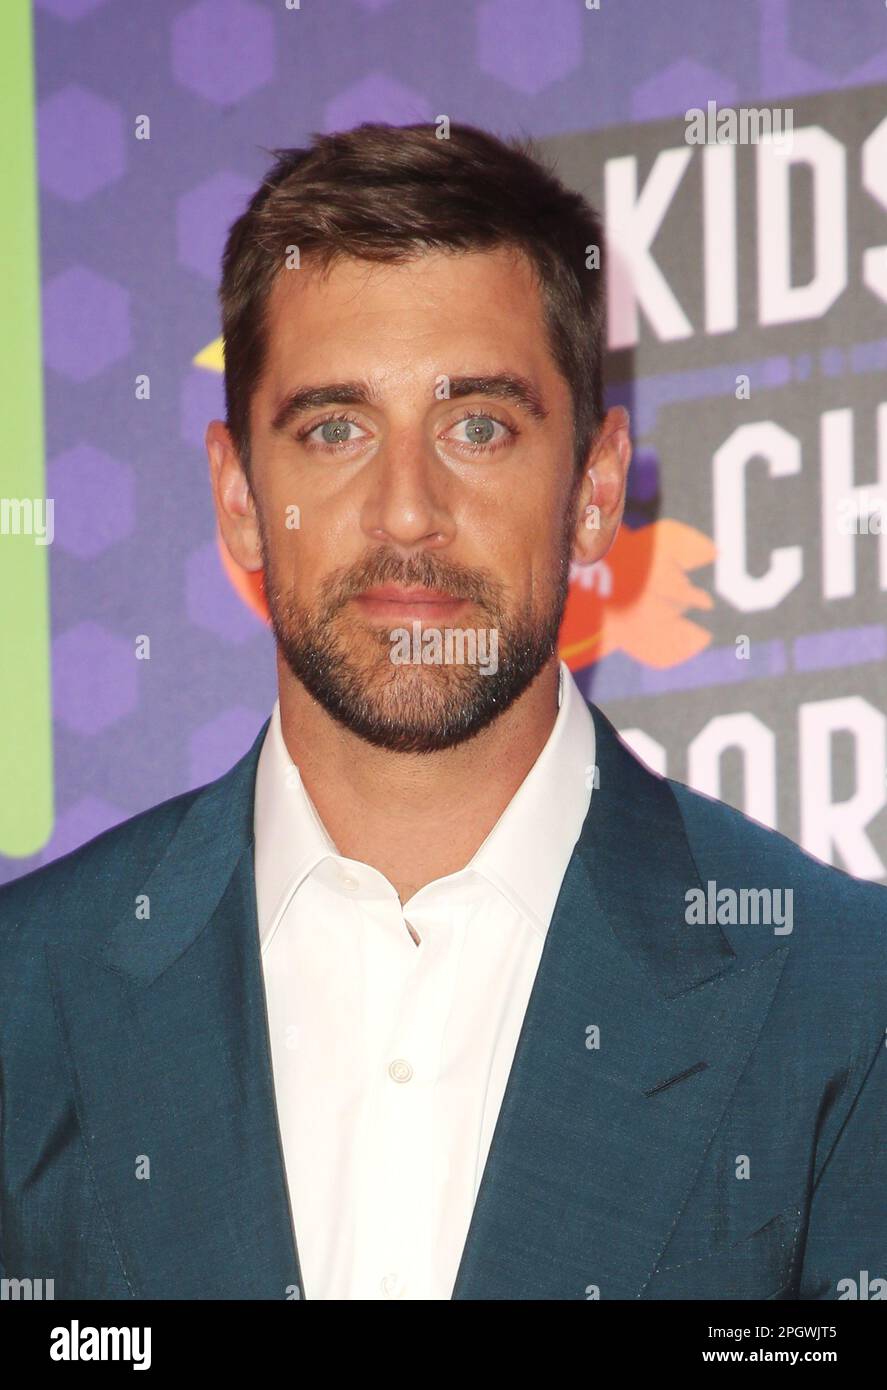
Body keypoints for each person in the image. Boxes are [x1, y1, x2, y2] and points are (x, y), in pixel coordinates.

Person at [1, 122, 884, 1302]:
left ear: (595, 492)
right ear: (238, 500)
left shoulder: (840, 997)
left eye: (477, 425)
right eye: (334, 429)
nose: (405, 512)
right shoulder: (26, 998)